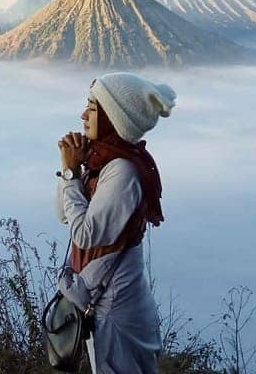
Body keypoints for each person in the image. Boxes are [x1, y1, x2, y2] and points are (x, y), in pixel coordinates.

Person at [55, 72, 176, 374]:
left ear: (114, 117)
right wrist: (73, 169)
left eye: (93, 108)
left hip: (117, 307)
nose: (83, 114)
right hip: (104, 300)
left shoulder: (122, 172)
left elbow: (85, 234)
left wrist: (71, 174)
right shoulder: (101, 164)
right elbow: (63, 213)